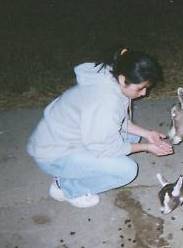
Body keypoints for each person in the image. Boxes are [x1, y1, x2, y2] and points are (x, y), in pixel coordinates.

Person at [27, 48, 173, 208]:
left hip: (62, 138)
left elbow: (116, 122)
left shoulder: (109, 77)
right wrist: (147, 147)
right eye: (140, 88)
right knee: (126, 171)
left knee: (132, 137)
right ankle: (66, 188)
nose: (144, 93)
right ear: (123, 79)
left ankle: (73, 172)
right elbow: (106, 147)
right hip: (54, 155)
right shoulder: (105, 101)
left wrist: (147, 134)